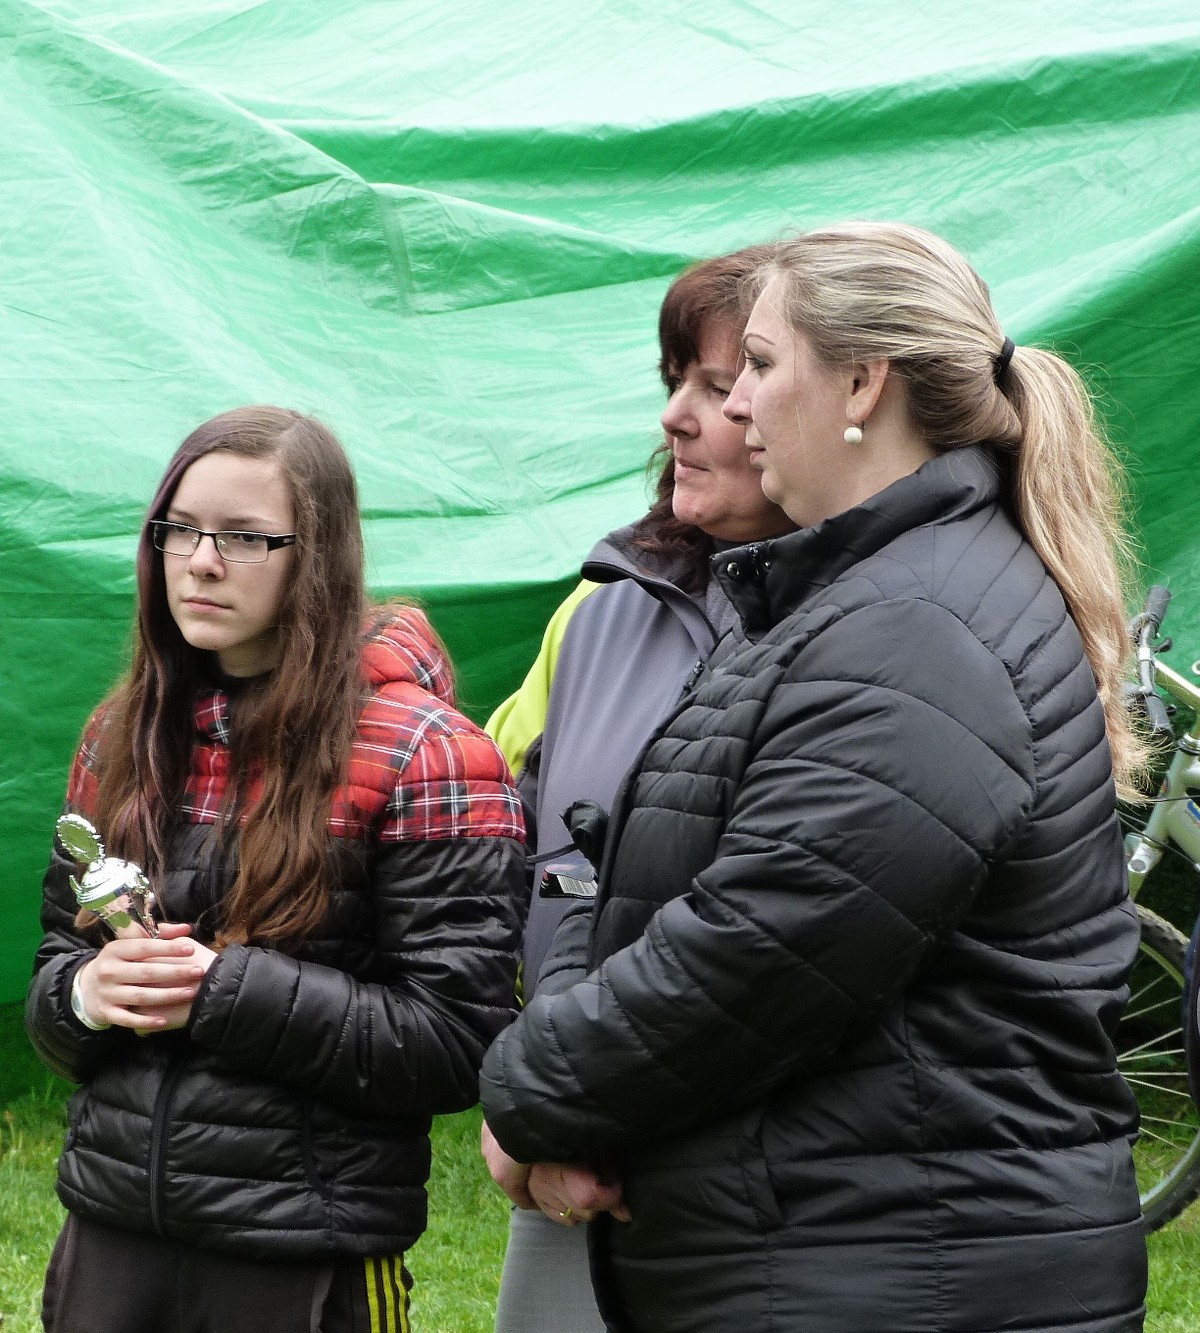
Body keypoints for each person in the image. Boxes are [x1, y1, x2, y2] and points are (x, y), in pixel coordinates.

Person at [480, 222, 1149, 1333]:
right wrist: (560, 1063)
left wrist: (530, 1093)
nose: (734, 405)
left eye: (756, 363)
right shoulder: (849, 598)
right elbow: (643, 882)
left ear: (861, 382)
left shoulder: (917, 630)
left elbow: (759, 951)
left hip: (901, 1279)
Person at [25, 406, 528, 1333]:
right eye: (180, 529)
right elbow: (56, 977)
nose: (201, 561)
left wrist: (220, 991)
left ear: (318, 556)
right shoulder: (123, 732)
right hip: (110, 1240)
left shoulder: (427, 754)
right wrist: (91, 995)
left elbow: (457, 1041)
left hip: (303, 1256)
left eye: (246, 537)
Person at [480, 247, 794, 1333]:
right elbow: (516, 858)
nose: (677, 416)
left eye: (720, 385)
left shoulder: (876, 622)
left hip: (769, 1190)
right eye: (676, 381)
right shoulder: (603, 607)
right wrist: (538, 1101)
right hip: (573, 1167)